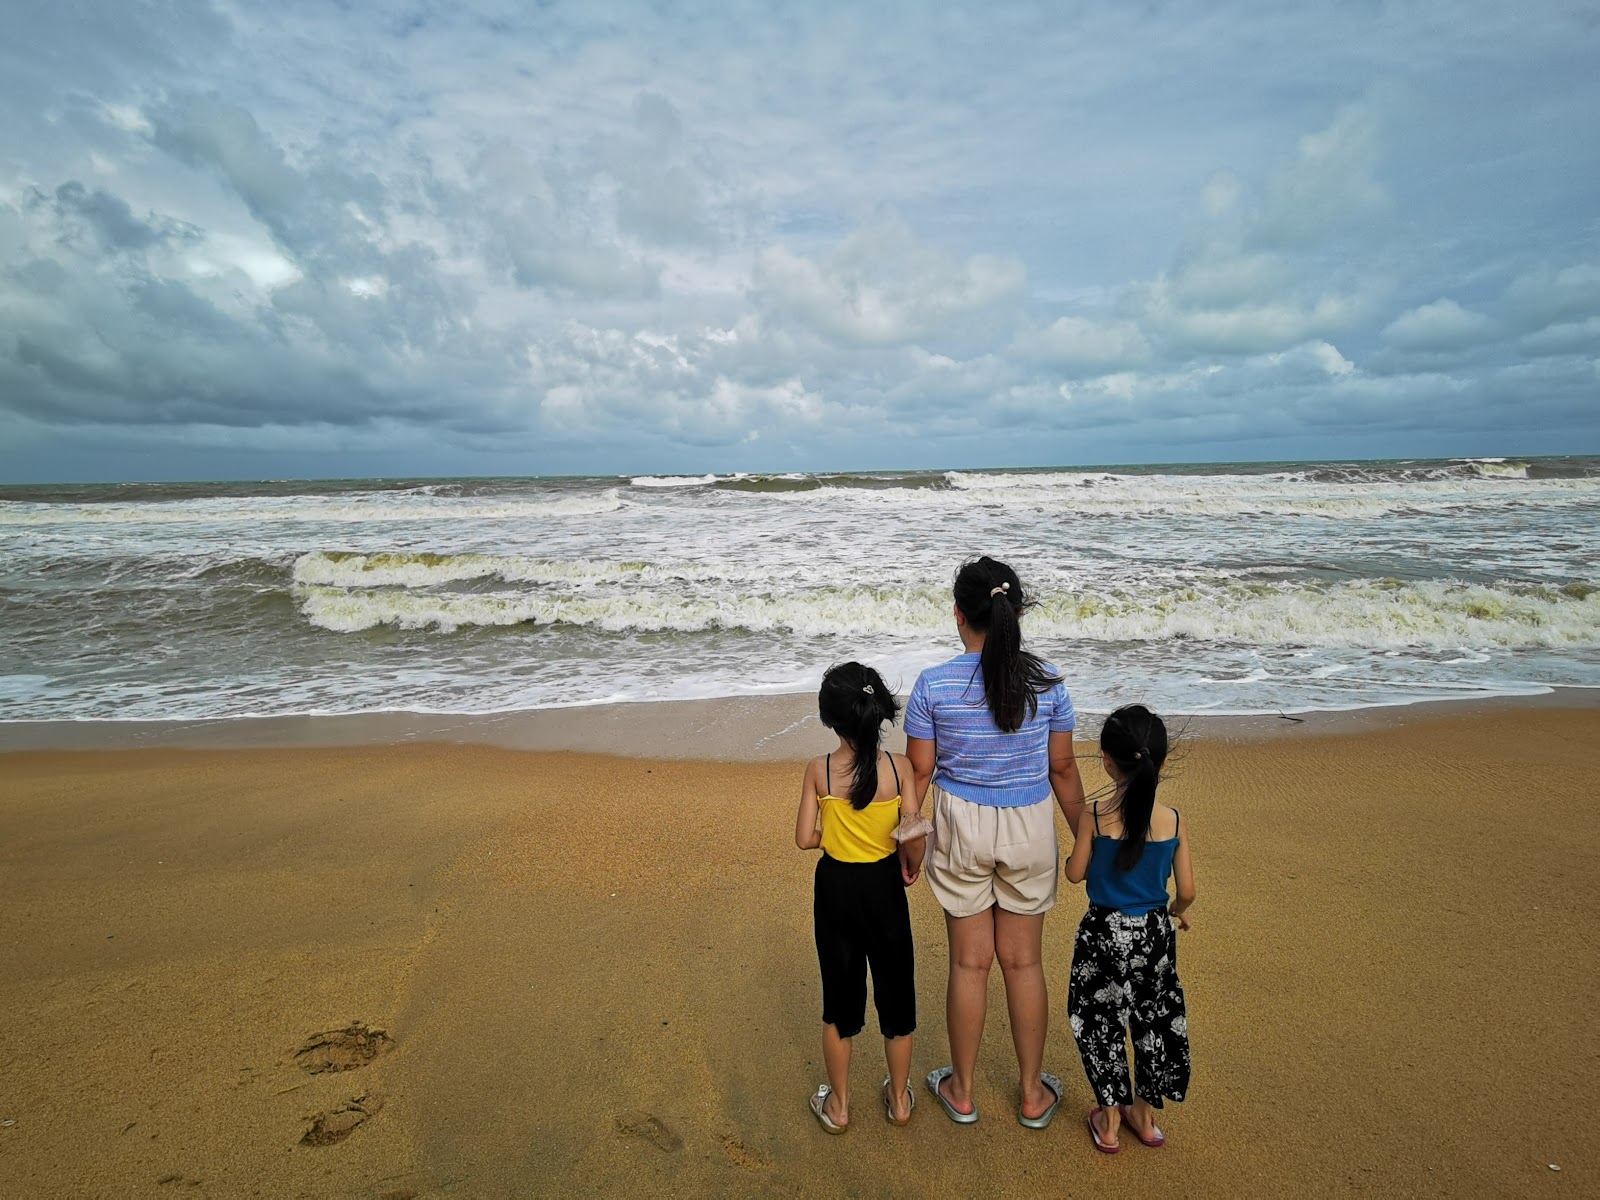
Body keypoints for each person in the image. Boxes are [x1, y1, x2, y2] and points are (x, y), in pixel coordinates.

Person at [902, 556, 1085, 1129]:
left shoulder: (934, 685)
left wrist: (907, 844)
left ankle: (962, 1090)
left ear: (959, 615)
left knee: (970, 962)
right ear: (1017, 612)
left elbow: (919, 773)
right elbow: (1062, 770)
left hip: (961, 825)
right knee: (1024, 961)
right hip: (1029, 823)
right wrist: (1086, 837)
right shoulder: (1047, 680)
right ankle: (1032, 1095)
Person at [795, 661, 926, 1133]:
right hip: (883, 887)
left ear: (830, 718)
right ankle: (899, 1100)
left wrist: (835, 833)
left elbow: (804, 839)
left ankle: (840, 1107)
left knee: (839, 998)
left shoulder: (819, 771)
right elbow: (912, 832)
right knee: (896, 994)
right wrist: (912, 862)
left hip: (835, 888)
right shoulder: (898, 767)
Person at [1063, 703, 1194, 1154]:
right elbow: (1189, 889)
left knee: (1098, 1019)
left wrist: (1073, 857)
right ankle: (1145, 1114)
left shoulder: (1096, 815)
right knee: (1151, 1020)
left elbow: (1075, 874)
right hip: (1155, 934)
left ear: (1106, 759)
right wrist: (1178, 908)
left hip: (1102, 932)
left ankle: (1110, 1117)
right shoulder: (1172, 819)